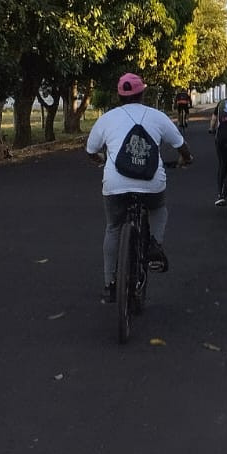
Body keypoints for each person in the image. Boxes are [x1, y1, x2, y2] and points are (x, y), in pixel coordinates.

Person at [86, 72, 192, 302]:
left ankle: (109, 283)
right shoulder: (158, 116)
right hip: (151, 182)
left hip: (115, 184)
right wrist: (187, 159)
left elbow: (91, 151)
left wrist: (102, 162)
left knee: (113, 227)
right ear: (142, 94)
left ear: (119, 96)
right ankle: (155, 244)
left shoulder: (106, 119)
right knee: (158, 208)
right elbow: (181, 145)